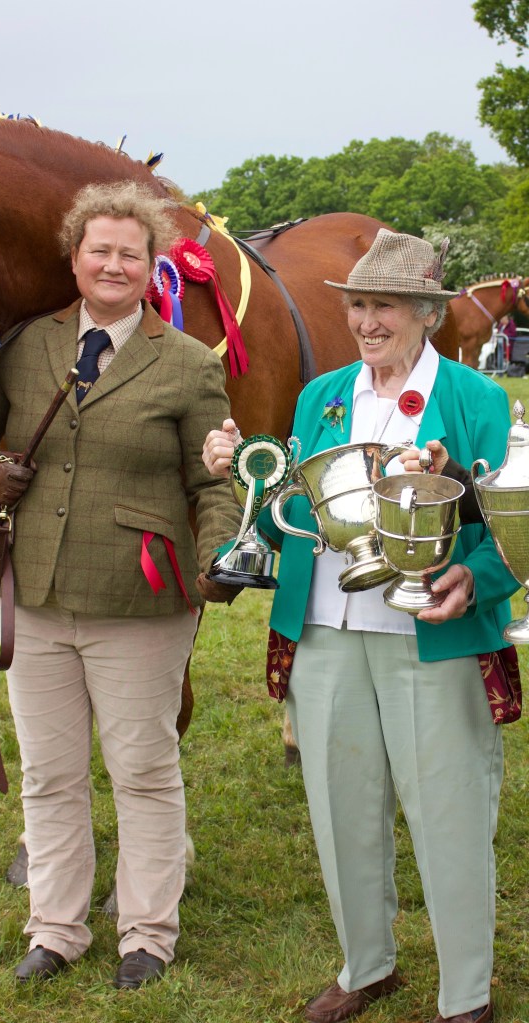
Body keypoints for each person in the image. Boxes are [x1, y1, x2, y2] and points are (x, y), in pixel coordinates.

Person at [203, 229, 518, 1023]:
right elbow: (295, 516)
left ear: (427, 313)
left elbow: (516, 523)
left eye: (385, 306)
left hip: (431, 633)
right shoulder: (323, 396)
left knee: (448, 812)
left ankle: (466, 995)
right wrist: (246, 477)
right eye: (357, 305)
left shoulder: (476, 399)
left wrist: (475, 578)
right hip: (325, 628)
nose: (367, 321)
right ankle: (366, 964)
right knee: (340, 807)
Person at [0, 180, 241, 989]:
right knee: (50, 775)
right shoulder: (27, 347)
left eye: (129, 253)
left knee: (143, 772)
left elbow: (212, 480)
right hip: (35, 596)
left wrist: (221, 551)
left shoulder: (188, 364)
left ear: (151, 267)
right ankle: (56, 929)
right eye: (99, 250)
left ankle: (147, 934)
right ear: (74, 259)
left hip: (141, 604)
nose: (113, 264)